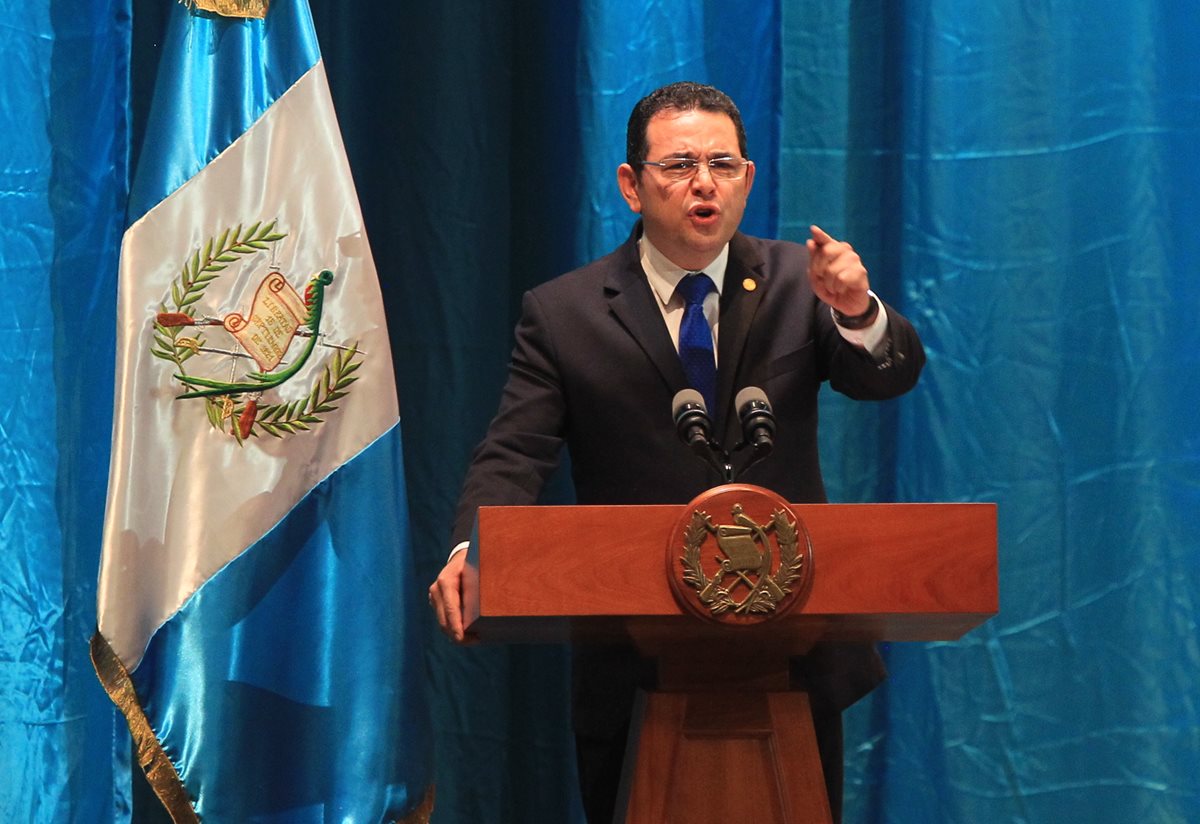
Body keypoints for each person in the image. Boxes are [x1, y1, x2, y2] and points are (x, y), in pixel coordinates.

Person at [429, 81, 925, 823]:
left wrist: (857, 310)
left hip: (789, 651)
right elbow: (514, 450)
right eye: (680, 164)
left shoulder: (801, 283)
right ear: (632, 185)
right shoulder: (564, 314)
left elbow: (886, 376)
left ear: (748, 181)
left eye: (724, 164)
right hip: (632, 665)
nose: (705, 183)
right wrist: (474, 546)